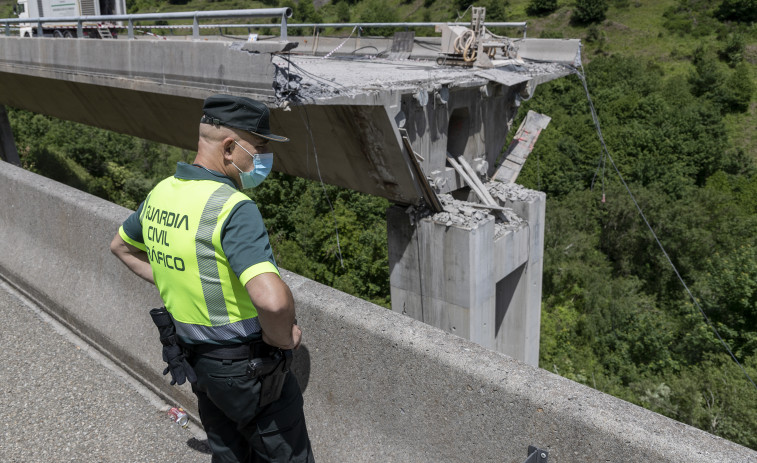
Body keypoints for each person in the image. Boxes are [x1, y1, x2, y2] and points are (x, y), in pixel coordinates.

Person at [110, 94, 314, 463]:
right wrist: (282, 338)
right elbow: (272, 300)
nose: (265, 159)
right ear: (231, 147)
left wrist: (177, 278)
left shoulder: (161, 193)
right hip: (250, 369)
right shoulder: (233, 207)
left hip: (198, 363)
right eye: (260, 148)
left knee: (228, 453)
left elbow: (121, 248)